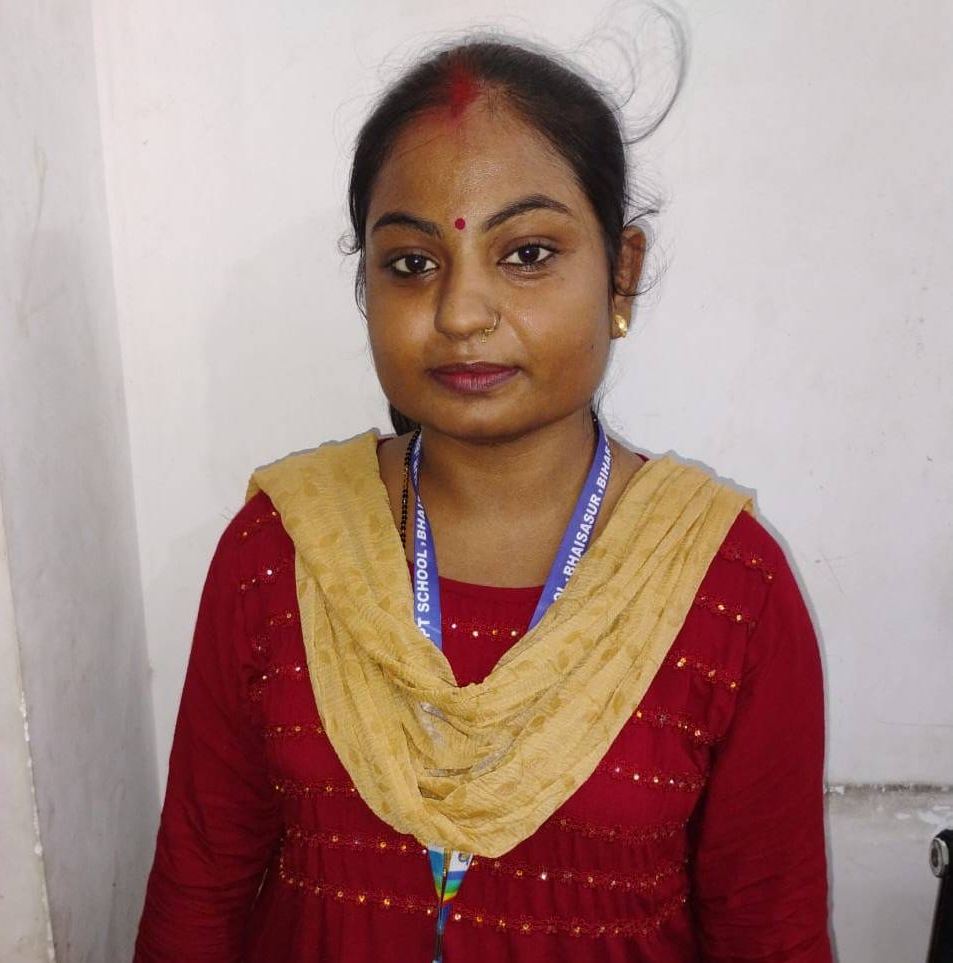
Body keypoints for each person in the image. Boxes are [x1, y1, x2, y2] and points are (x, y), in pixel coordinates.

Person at [134, 35, 832, 963]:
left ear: (621, 270)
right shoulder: (284, 550)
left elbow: (770, 935)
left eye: (527, 253)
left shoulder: (725, 584)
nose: (461, 312)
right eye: (411, 264)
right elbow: (196, 900)